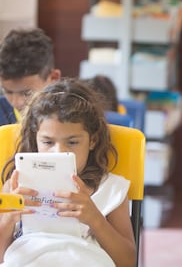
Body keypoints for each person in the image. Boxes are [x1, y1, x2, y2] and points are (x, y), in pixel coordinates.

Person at [0, 78, 136, 267]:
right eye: (48, 142)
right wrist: (7, 220)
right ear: (35, 139)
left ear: (93, 140)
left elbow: (128, 262)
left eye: (72, 142)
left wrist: (95, 219)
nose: (59, 152)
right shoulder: (15, 187)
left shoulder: (111, 188)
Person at [0, 28, 61, 125]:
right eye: (8, 91)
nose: (17, 103)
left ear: (53, 77)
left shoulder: (70, 117)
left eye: (27, 93)